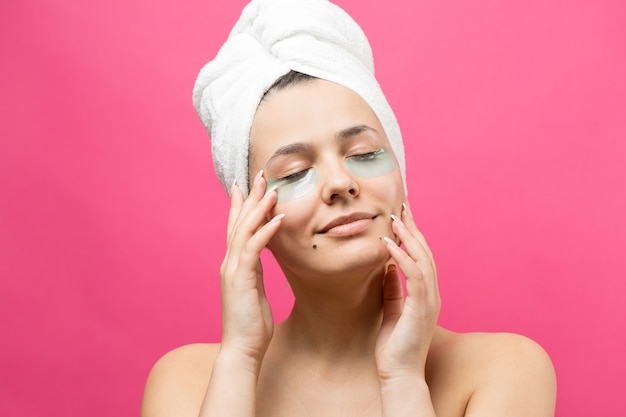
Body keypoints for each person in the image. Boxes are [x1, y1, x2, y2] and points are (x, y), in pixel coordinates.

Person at [141, 1, 556, 416]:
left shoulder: (504, 370)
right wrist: (240, 358)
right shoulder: (188, 382)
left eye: (364, 152)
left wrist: (403, 380)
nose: (340, 183)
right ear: (251, 216)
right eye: (296, 172)